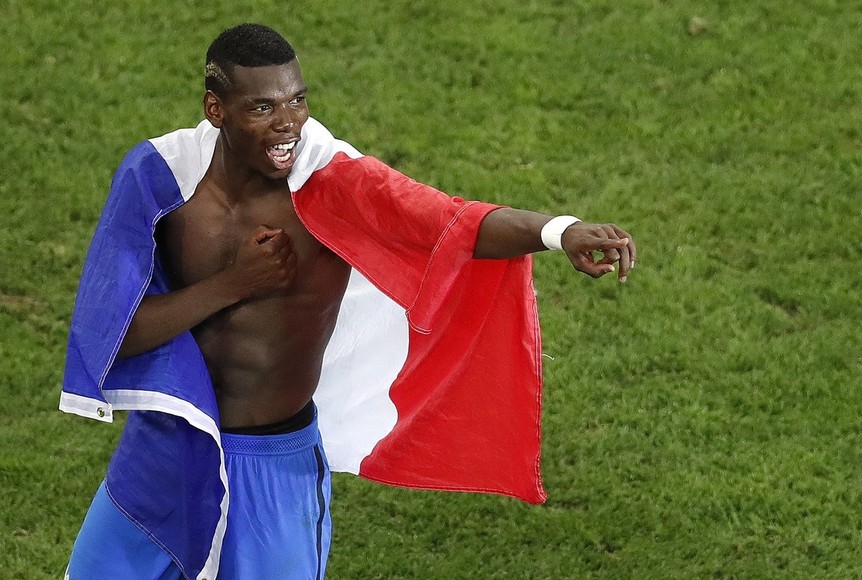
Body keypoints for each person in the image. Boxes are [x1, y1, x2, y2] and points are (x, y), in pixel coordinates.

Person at [61, 23, 635, 579]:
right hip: (167, 448)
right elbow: (113, 333)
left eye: (297, 101)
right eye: (263, 108)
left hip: (273, 465)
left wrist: (561, 230)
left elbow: (448, 223)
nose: (288, 124)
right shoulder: (160, 181)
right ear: (217, 110)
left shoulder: (331, 183)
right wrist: (236, 283)